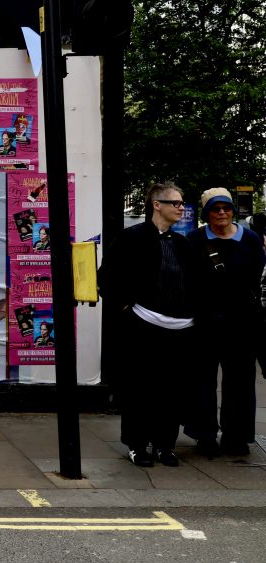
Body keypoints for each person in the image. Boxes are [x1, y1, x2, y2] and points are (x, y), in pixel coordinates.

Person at [98, 182, 198, 468]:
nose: (181, 208)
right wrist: (125, 309)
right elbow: (107, 278)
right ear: (157, 205)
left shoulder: (183, 243)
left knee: (172, 390)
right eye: (175, 203)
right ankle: (137, 445)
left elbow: (197, 282)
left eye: (181, 203)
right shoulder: (131, 238)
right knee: (140, 388)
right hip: (143, 325)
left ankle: (165, 445)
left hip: (181, 328)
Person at [183, 187, 265, 457]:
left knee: (240, 381)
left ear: (232, 210)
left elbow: (255, 276)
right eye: (215, 209)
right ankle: (205, 435)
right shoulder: (194, 240)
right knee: (201, 380)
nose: (221, 213)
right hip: (204, 322)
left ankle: (236, 436)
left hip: (242, 322)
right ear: (206, 214)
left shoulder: (250, 239)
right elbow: (188, 279)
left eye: (226, 208)